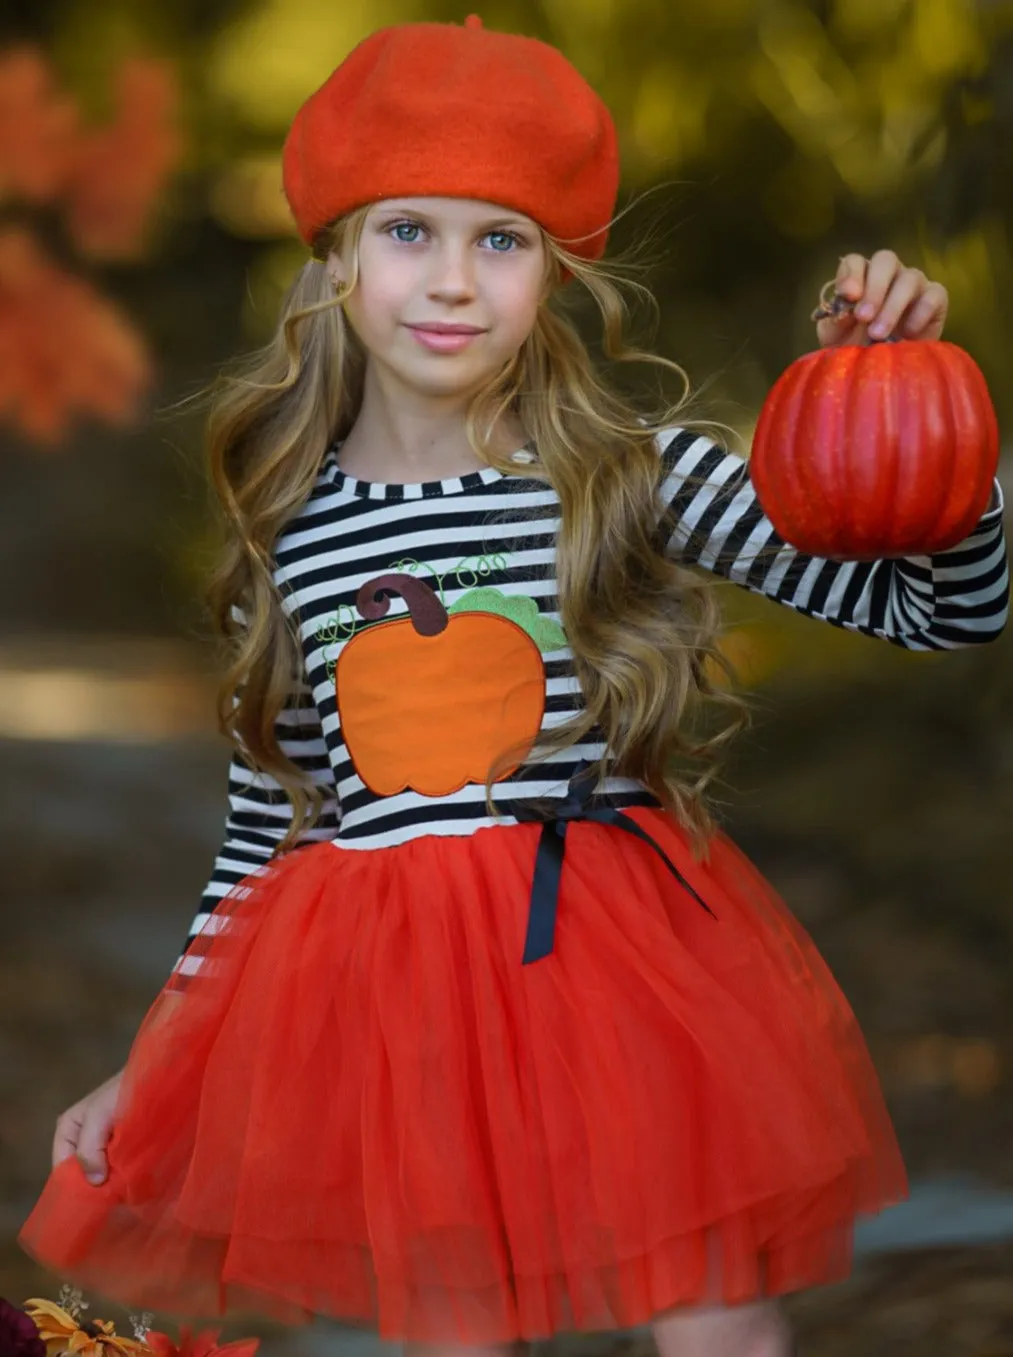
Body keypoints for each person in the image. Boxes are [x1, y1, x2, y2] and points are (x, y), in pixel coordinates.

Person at [19, 17, 1009, 1357]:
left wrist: (910, 410)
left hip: (620, 968)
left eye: (501, 240)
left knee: (718, 1326)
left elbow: (944, 613)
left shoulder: (631, 475)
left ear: (556, 272)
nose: (451, 281)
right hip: (397, 1010)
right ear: (336, 257)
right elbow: (269, 830)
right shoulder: (289, 538)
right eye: (407, 230)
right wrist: (149, 1066)